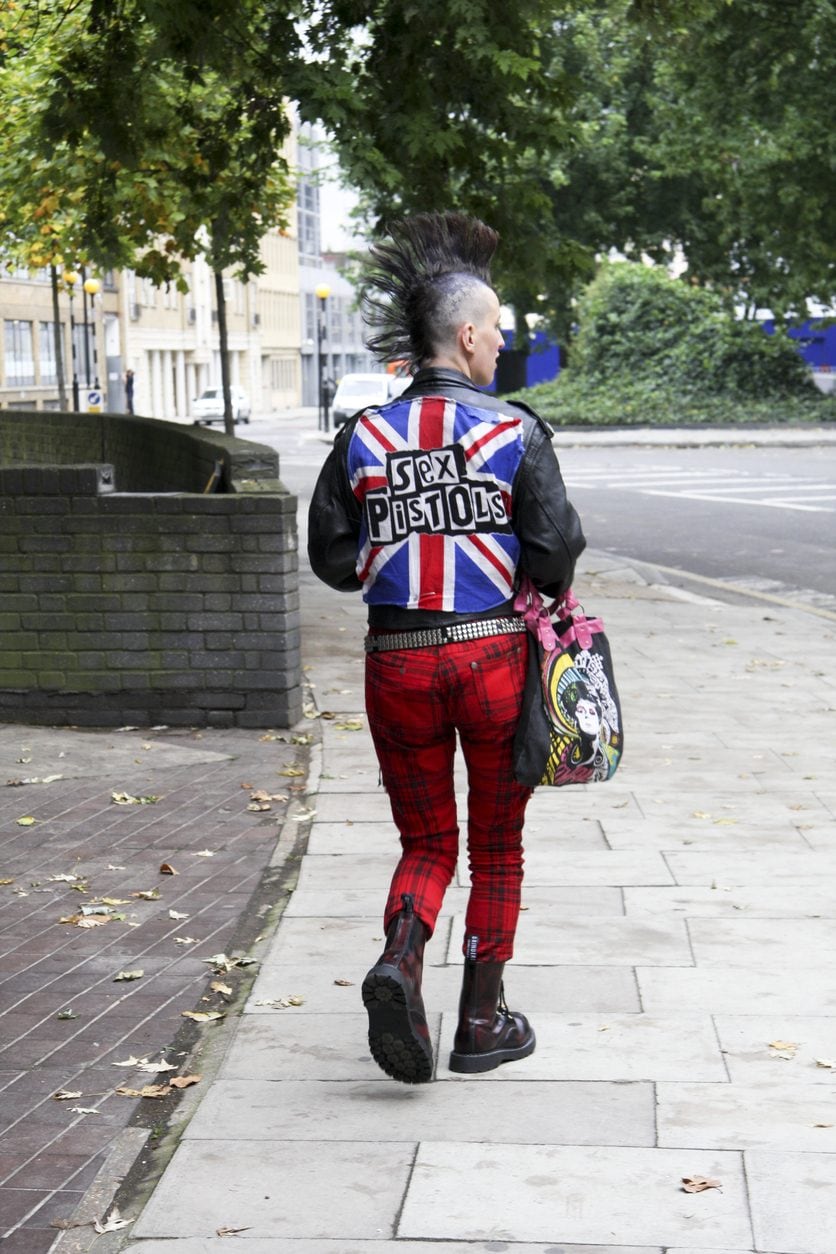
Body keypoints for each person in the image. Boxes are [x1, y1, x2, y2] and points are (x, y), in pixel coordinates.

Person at [308, 212, 585, 1083]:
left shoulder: (363, 437)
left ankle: (400, 957)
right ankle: (481, 1020)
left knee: (428, 841)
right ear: (465, 336)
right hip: (494, 661)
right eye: (497, 330)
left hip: (397, 664)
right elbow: (555, 551)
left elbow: (331, 558)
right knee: (497, 846)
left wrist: (389, 556)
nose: (501, 345)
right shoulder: (514, 433)